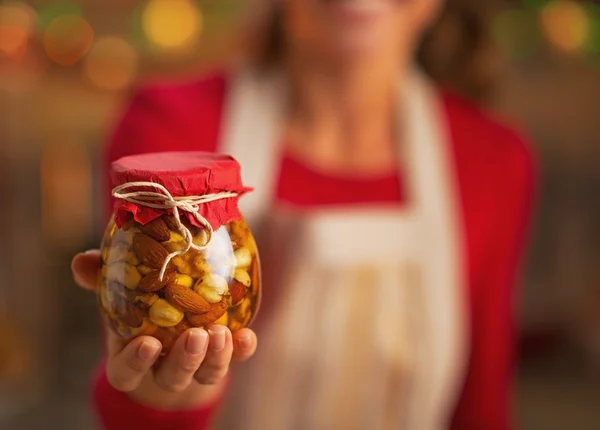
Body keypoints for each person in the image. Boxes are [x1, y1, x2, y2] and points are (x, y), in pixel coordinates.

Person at [71, 0, 536, 429]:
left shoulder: (494, 159)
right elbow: (129, 386)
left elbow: (481, 406)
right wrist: (163, 397)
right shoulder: (165, 130)